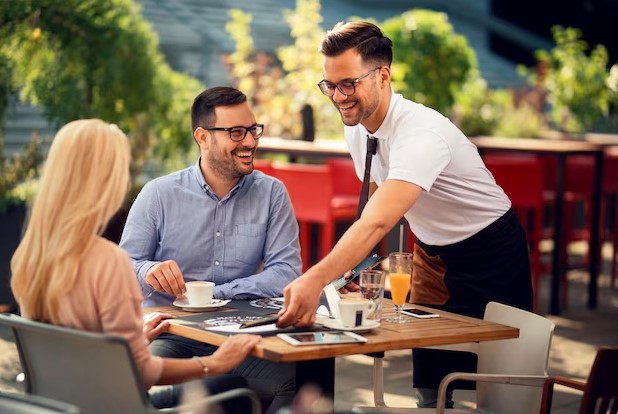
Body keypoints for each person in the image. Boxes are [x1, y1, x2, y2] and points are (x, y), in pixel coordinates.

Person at [277, 21, 533, 408]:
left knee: (504, 389)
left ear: (383, 75)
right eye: (329, 85)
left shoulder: (422, 135)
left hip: (491, 254)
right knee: (431, 387)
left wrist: (315, 280)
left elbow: (377, 220)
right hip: (432, 254)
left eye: (348, 84)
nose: (338, 96)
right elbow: (380, 196)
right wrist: (357, 266)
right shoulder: (358, 125)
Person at [10, 119, 261, 412]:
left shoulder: (31, 255)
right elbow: (142, 375)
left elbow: (70, 349)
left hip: (65, 405)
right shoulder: (108, 261)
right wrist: (212, 363)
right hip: (116, 406)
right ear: (106, 179)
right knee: (235, 388)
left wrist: (131, 342)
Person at [120, 86, 301, 413]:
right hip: (171, 334)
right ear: (203, 137)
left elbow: (286, 272)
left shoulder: (272, 194)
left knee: (297, 378)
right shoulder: (158, 194)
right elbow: (122, 268)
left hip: (241, 335)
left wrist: (214, 292)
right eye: (236, 132)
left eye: (252, 129)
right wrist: (147, 270)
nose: (249, 141)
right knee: (143, 388)